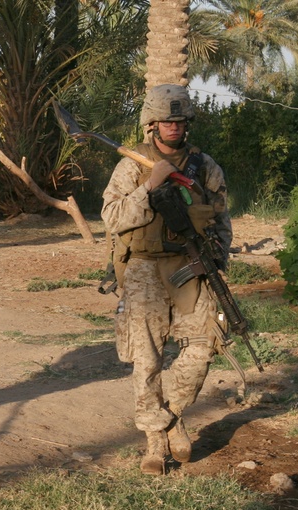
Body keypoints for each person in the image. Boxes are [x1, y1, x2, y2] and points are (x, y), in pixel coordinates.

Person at [101, 84, 232, 475]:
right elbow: (112, 217)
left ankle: (172, 413)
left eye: (179, 120)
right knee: (147, 359)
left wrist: (217, 260)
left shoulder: (204, 166)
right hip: (144, 270)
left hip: (190, 267)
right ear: (151, 124)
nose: (173, 126)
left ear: (187, 123)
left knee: (205, 345)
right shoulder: (133, 165)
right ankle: (155, 441)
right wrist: (151, 184)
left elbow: (221, 219)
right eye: (165, 120)